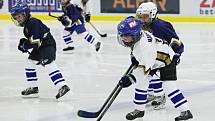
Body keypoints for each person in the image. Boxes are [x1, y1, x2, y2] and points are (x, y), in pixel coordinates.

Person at [117, 16, 193, 121]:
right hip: (153, 59)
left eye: (126, 35)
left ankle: (185, 111)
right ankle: (139, 110)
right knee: (142, 84)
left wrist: (130, 79)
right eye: (122, 35)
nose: (123, 38)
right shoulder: (138, 37)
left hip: (166, 60)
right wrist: (134, 58)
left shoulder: (145, 49)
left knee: (169, 87)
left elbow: (144, 71)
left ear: (134, 35)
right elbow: (138, 53)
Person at [10, 3, 70, 99]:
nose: (18, 19)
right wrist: (24, 43)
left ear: (26, 14)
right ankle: (33, 87)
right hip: (40, 46)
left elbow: (36, 40)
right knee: (29, 62)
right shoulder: (27, 25)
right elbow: (34, 40)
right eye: (16, 17)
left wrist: (25, 45)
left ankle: (62, 85)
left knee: (49, 64)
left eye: (19, 16)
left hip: (47, 44)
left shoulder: (33, 22)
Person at [135, 2, 184, 109]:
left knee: (155, 75)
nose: (142, 19)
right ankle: (154, 94)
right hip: (153, 56)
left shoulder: (162, 26)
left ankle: (160, 97)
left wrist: (176, 56)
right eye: (140, 16)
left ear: (153, 15)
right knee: (148, 74)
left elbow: (177, 43)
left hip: (165, 57)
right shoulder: (142, 26)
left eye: (145, 17)